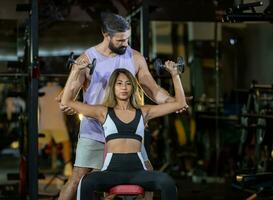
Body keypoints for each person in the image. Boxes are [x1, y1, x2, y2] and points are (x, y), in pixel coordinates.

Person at [56, 12, 188, 200]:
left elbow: (153, 89)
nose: (125, 44)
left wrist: (171, 102)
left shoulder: (135, 57)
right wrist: (65, 102)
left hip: (127, 131)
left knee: (148, 172)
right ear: (106, 35)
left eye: (127, 39)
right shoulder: (87, 58)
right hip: (95, 130)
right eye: (120, 40)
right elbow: (69, 94)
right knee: (78, 179)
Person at [61, 64, 186, 200]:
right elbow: (66, 101)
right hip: (111, 173)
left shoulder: (144, 112)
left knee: (167, 182)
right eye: (119, 83)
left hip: (138, 172)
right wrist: (75, 71)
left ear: (133, 87)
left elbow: (180, 103)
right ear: (113, 87)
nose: (124, 87)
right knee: (85, 183)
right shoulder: (103, 112)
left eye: (128, 84)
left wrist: (175, 75)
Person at [38, 81, 72, 176]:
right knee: (65, 143)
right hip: (58, 123)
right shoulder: (60, 90)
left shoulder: (40, 91)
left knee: (39, 144)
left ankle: (33, 166)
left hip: (44, 123)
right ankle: (68, 167)